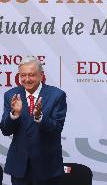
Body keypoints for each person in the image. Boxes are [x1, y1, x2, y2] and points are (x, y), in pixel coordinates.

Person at [0, 56, 67, 185]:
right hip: (20, 166)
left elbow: (57, 128)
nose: (26, 79)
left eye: (31, 75)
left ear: (41, 75)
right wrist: (15, 114)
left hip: (47, 166)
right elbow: (5, 130)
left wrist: (39, 117)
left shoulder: (56, 95)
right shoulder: (11, 95)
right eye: (23, 75)